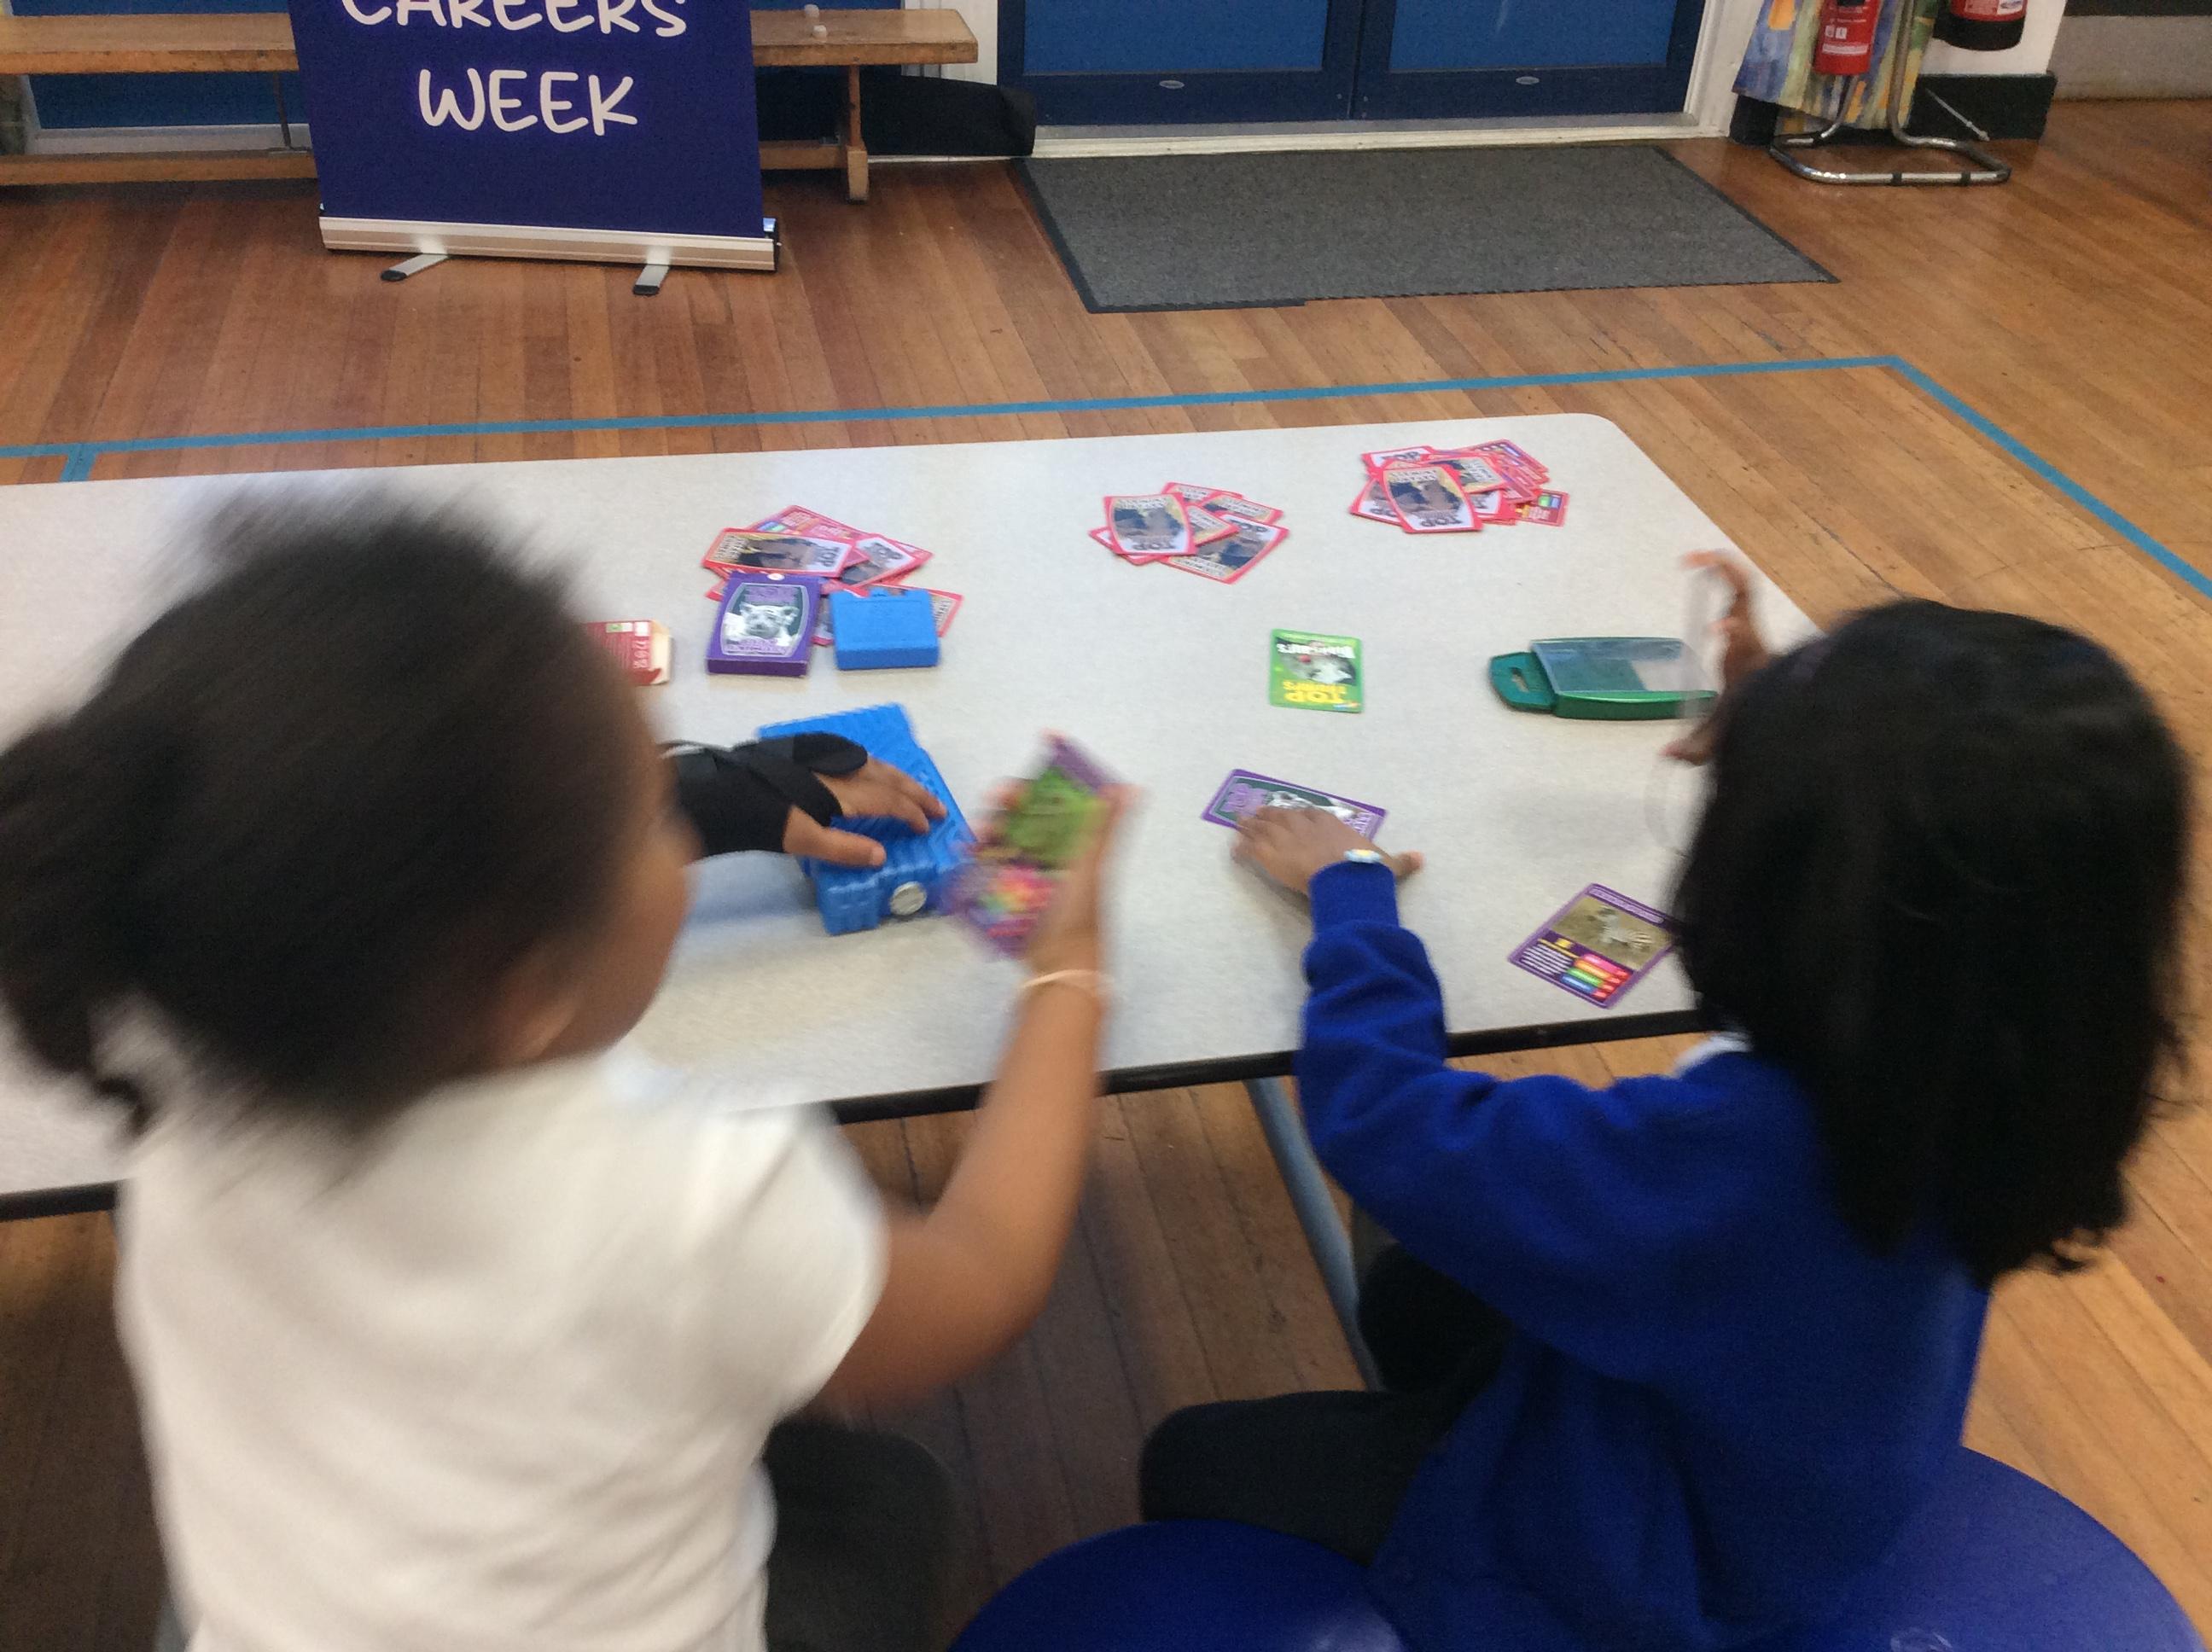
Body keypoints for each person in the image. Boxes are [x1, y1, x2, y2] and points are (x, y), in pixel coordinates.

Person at [0, 501, 1126, 1652]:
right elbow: (985, 1277)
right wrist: (1069, 971)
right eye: (653, 818)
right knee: (890, 1494)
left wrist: (739, 790)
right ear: (523, 985)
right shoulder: (694, 1196)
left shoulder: (185, 1084)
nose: (680, 833)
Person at [1142, 561, 2190, 1652]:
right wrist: (1779, 735)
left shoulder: (1731, 1157)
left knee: (1192, 1455)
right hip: (1793, 1479)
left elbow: (1385, 1118)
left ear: (1785, 888)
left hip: (1651, 1562)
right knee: (1414, 1297)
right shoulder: (2000, 1072)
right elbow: (1935, 874)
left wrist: (1349, 888)